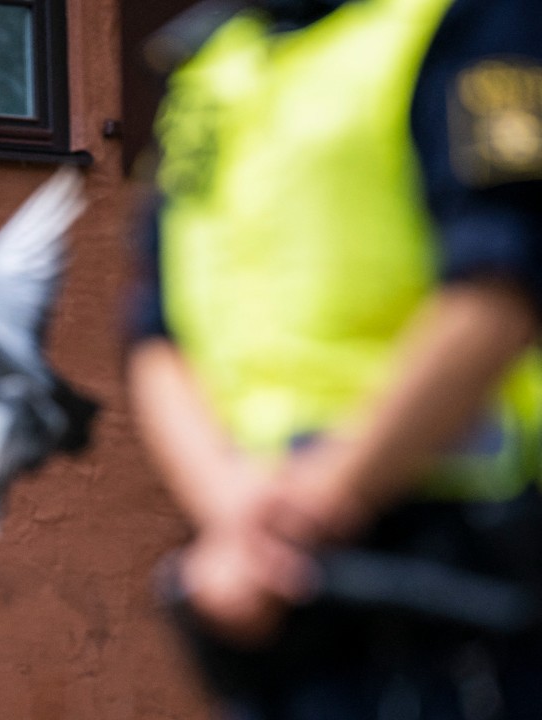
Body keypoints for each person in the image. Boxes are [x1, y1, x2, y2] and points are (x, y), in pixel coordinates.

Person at [124, 0, 542, 717]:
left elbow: (501, 287)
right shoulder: (210, 72)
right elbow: (155, 335)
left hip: (455, 576)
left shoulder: (482, 22)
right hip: (276, 598)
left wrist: (294, 516)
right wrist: (233, 519)